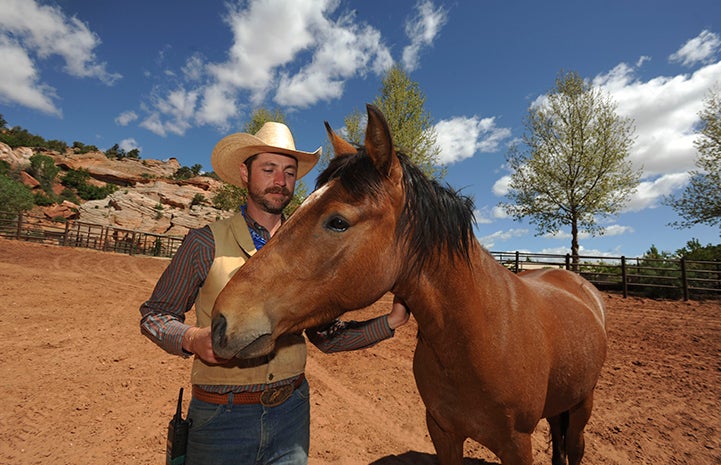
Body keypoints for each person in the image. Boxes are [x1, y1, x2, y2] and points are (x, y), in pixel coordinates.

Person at [139, 121, 410, 465]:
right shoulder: (203, 242)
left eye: (288, 172)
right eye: (268, 169)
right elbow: (155, 315)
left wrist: (390, 321)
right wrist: (191, 338)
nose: (280, 181)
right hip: (221, 417)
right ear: (244, 173)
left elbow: (325, 337)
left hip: (291, 413)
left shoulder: (309, 249)